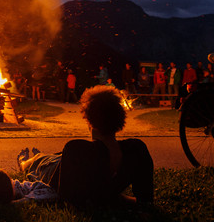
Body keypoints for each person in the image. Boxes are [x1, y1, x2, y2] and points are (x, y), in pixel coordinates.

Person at [17, 85, 153, 207]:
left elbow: (70, 201)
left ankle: (24, 162)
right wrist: (113, 196)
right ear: (120, 118)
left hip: (53, 168)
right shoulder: (136, 149)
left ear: (88, 120)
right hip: (67, 161)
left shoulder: (77, 149)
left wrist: (107, 197)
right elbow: (145, 201)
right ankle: (32, 159)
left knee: (41, 160)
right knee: (53, 156)